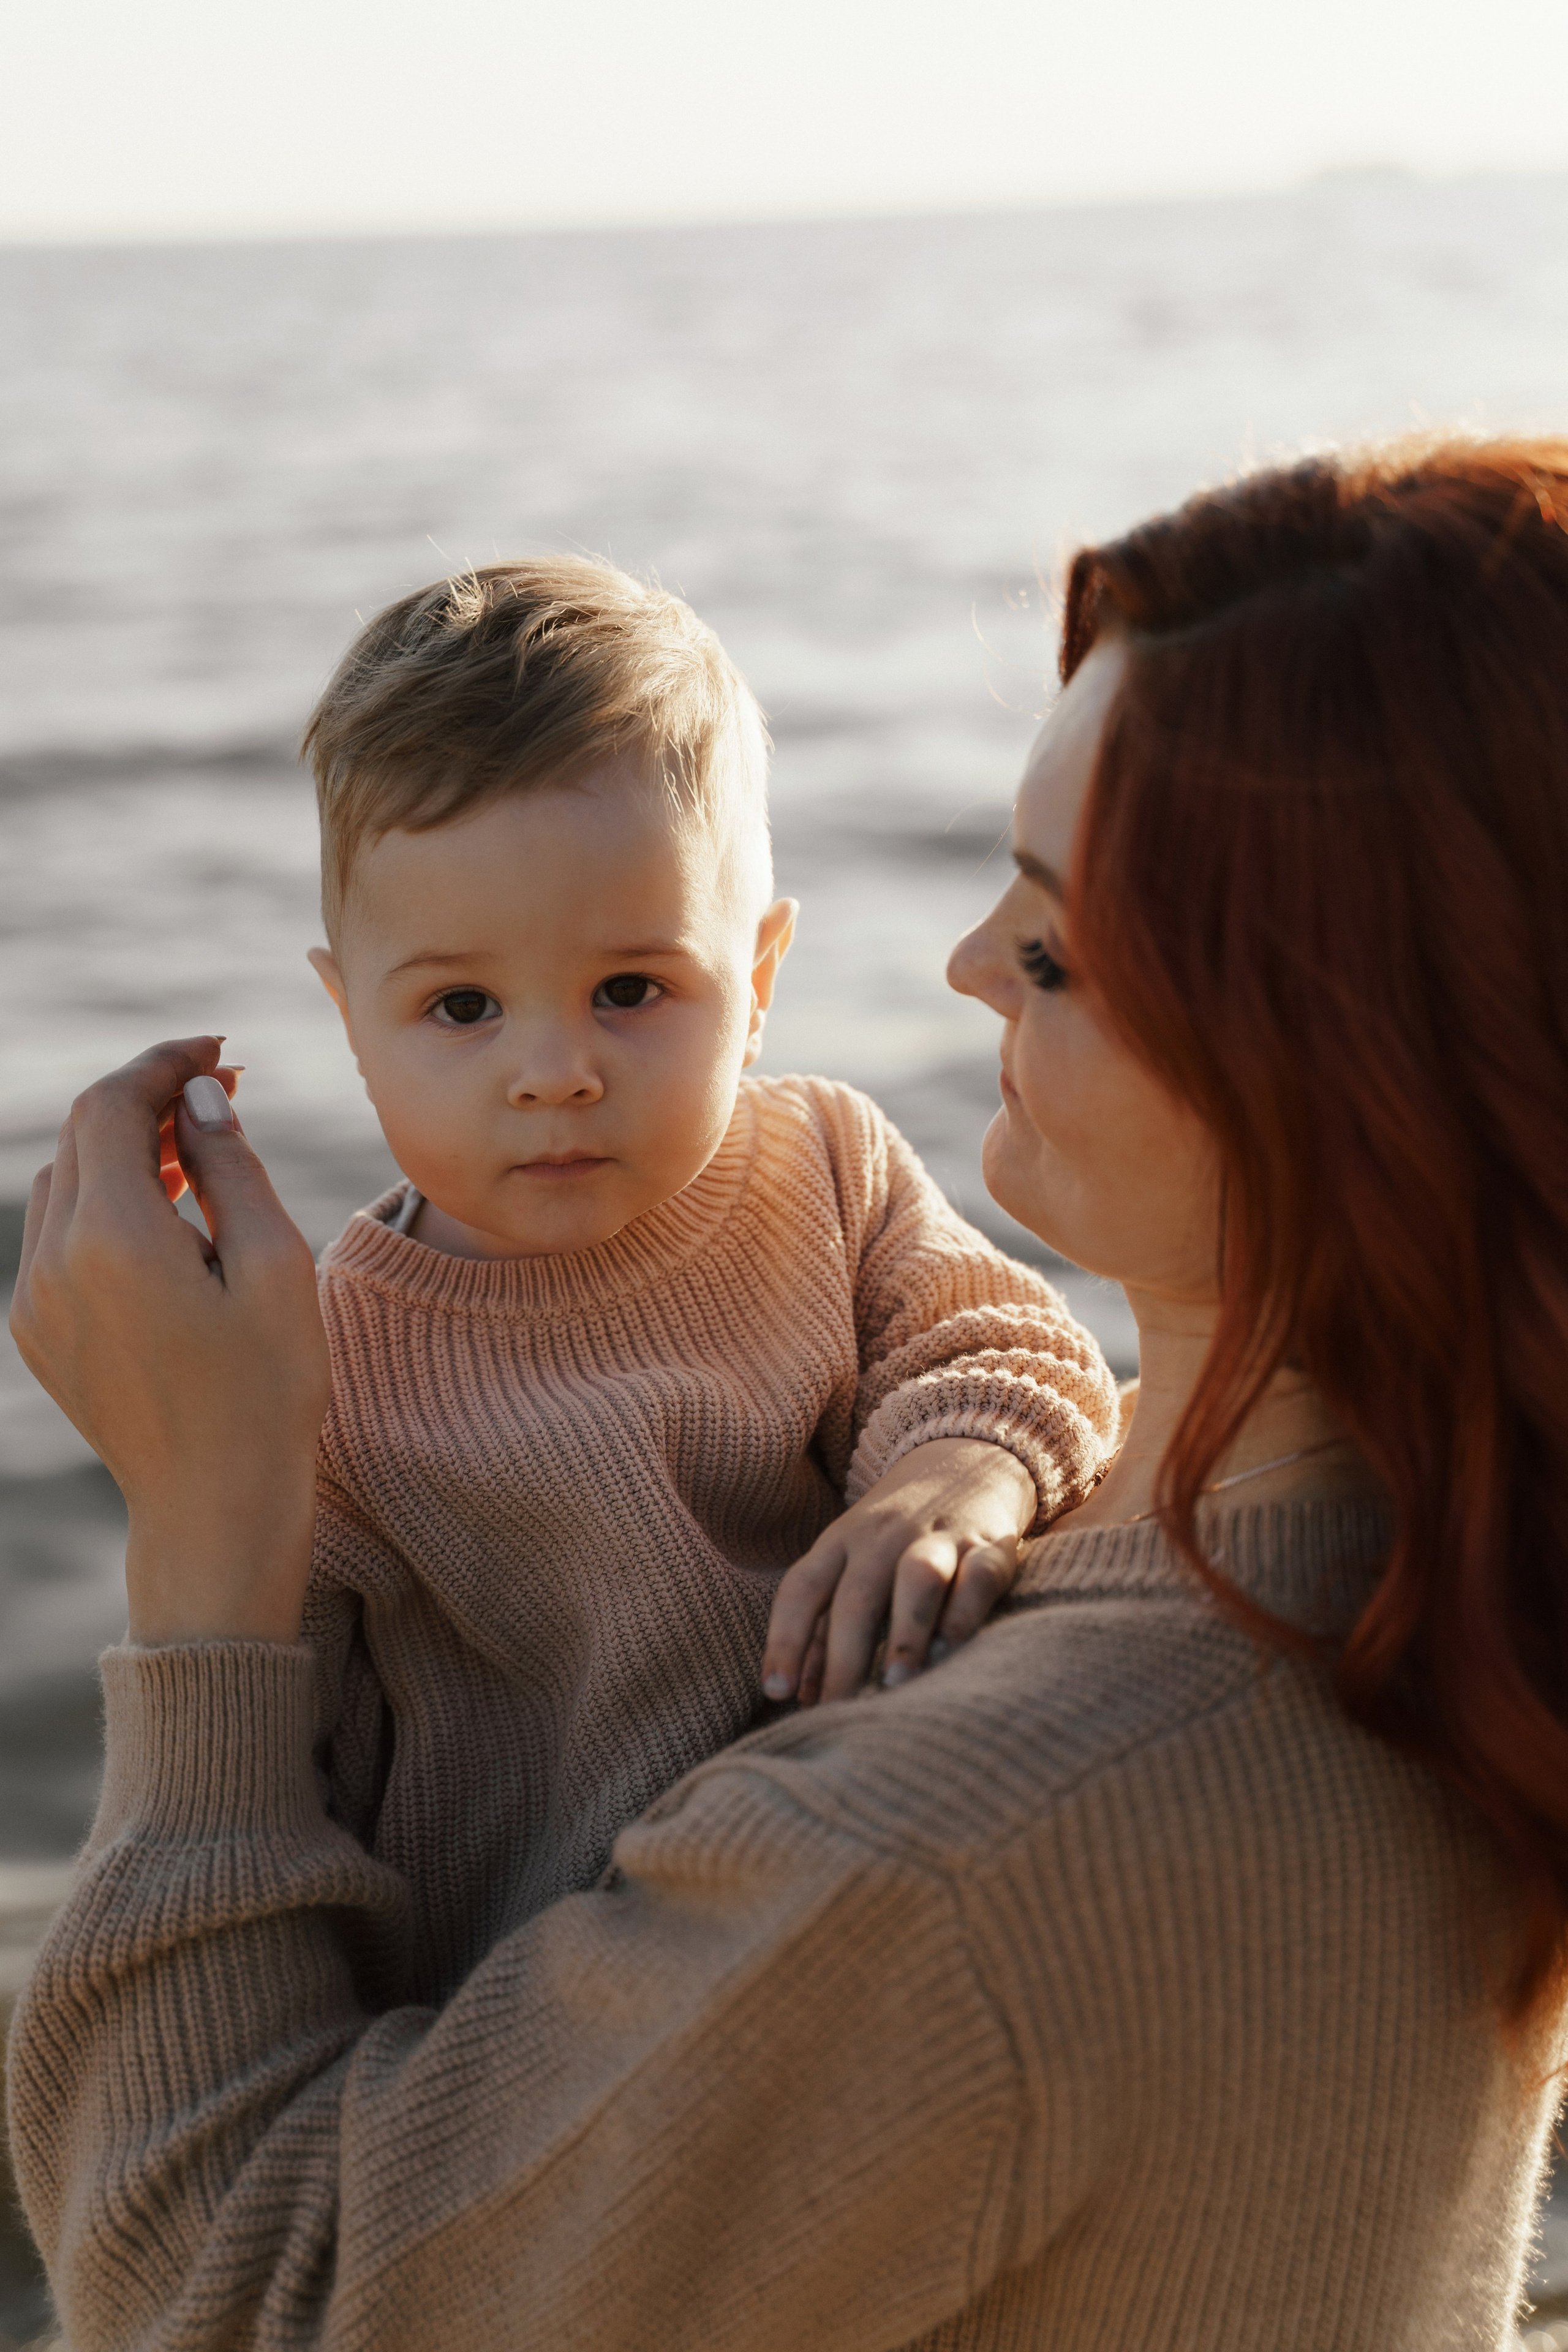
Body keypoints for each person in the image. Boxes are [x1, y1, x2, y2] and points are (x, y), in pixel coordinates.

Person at [10, 431, 1568, 2350]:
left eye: (1063, 948)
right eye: (462, 1006)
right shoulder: (1429, 1573)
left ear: (1348, 1048)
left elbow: (211, 2301)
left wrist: (198, 1546)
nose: (968, 963)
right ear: (349, 1006)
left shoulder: (952, 1866)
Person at [281, 556, 1116, 1991]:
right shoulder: (329, 1375)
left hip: (873, 1875)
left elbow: (1004, 1348)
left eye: (630, 991)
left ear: (761, 972)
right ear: (350, 1016)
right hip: (559, 2000)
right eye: (460, 1007)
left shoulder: (822, 1167)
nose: (554, 1073)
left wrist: (947, 1482)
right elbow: (291, 1770)